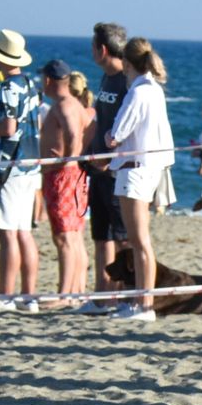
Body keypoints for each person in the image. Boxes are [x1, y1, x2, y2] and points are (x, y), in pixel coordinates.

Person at [105, 37, 176, 322]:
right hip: (146, 167)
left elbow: (117, 133)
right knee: (139, 240)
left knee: (139, 240)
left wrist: (110, 138)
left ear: (126, 62)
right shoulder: (153, 89)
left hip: (135, 169)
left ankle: (144, 302)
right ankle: (140, 299)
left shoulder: (138, 92)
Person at [0, 29, 41, 312]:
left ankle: (6, 295)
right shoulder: (29, 83)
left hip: (11, 164)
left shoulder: (8, 87)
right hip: (30, 161)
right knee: (23, 231)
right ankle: (28, 295)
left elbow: (8, 128)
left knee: (7, 232)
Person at [82, 23, 132, 313]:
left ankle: (128, 297)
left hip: (117, 170)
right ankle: (102, 297)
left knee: (124, 238)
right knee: (102, 236)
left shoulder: (127, 80)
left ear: (102, 49)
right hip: (97, 169)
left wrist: (109, 158)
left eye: (93, 46)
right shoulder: (105, 78)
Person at [38, 59, 90, 302]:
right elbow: (90, 128)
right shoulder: (74, 104)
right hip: (71, 174)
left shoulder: (64, 105)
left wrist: (67, 159)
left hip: (63, 176)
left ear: (48, 80)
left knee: (65, 236)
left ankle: (65, 293)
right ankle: (76, 289)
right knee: (74, 234)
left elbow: (72, 133)